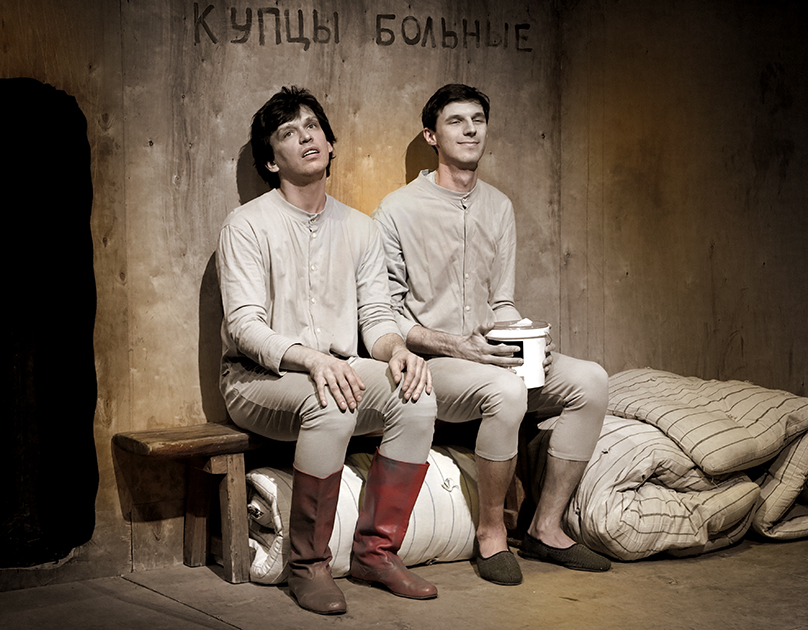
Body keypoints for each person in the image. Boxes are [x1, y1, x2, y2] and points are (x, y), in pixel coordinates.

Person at [372, 84, 611, 584]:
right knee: (505, 391)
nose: (470, 130)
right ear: (431, 135)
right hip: (434, 363)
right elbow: (386, 315)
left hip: (489, 353)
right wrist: (454, 345)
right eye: (456, 121)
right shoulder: (396, 210)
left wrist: (527, 339)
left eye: (477, 120)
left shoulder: (499, 206)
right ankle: (491, 533)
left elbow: (500, 300)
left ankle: (546, 527)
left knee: (591, 379)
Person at [217, 86, 439, 615]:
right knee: (331, 401)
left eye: (312, 126)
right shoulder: (246, 225)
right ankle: (308, 565)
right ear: (272, 161)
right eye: (288, 133)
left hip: (338, 368)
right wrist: (311, 358)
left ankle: (376, 553)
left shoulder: (361, 228)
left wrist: (396, 350)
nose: (306, 137)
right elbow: (244, 327)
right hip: (257, 379)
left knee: (416, 396)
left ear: (330, 143)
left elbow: (377, 319)